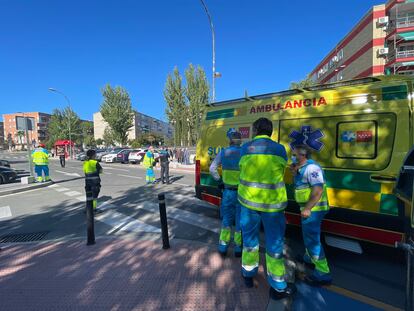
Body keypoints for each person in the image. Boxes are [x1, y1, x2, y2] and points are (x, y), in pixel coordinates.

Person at [238, 117, 296, 299]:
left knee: (249, 241)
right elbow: (282, 172)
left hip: (248, 204)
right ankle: (278, 286)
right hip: (272, 207)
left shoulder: (244, 148)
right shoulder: (280, 150)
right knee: (275, 244)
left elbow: (242, 170)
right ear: (270, 131)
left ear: (255, 130)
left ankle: (248, 274)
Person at [290, 145, 332, 286]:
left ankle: (323, 273)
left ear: (302, 155)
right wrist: (295, 173)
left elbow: (318, 190)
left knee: (312, 240)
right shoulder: (302, 168)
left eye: (294, 154)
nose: (292, 157)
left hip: (314, 209)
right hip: (308, 209)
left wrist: (308, 208)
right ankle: (308, 258)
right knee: (308, 236)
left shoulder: (312, 168)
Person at [209, 129, 243, 257]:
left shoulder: (223, 153)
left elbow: (212, 168)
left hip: (228, 192)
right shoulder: (244, 153)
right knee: (240, 221)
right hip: (241, 193)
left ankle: (223, 247)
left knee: (227, 220)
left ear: (230, 140)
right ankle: (238, 248)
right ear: (240, 141)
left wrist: (219, 180)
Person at [83, 149, 103, 213]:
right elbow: (101, 171)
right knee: (94, 197)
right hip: (95, 182)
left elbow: (85, 171)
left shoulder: (85, 162)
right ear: (93, 155)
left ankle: (88, 209)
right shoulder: (95, 162)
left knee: (88, 196)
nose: (96, 155)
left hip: (87, 182)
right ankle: (94, 209)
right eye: (95, 154)